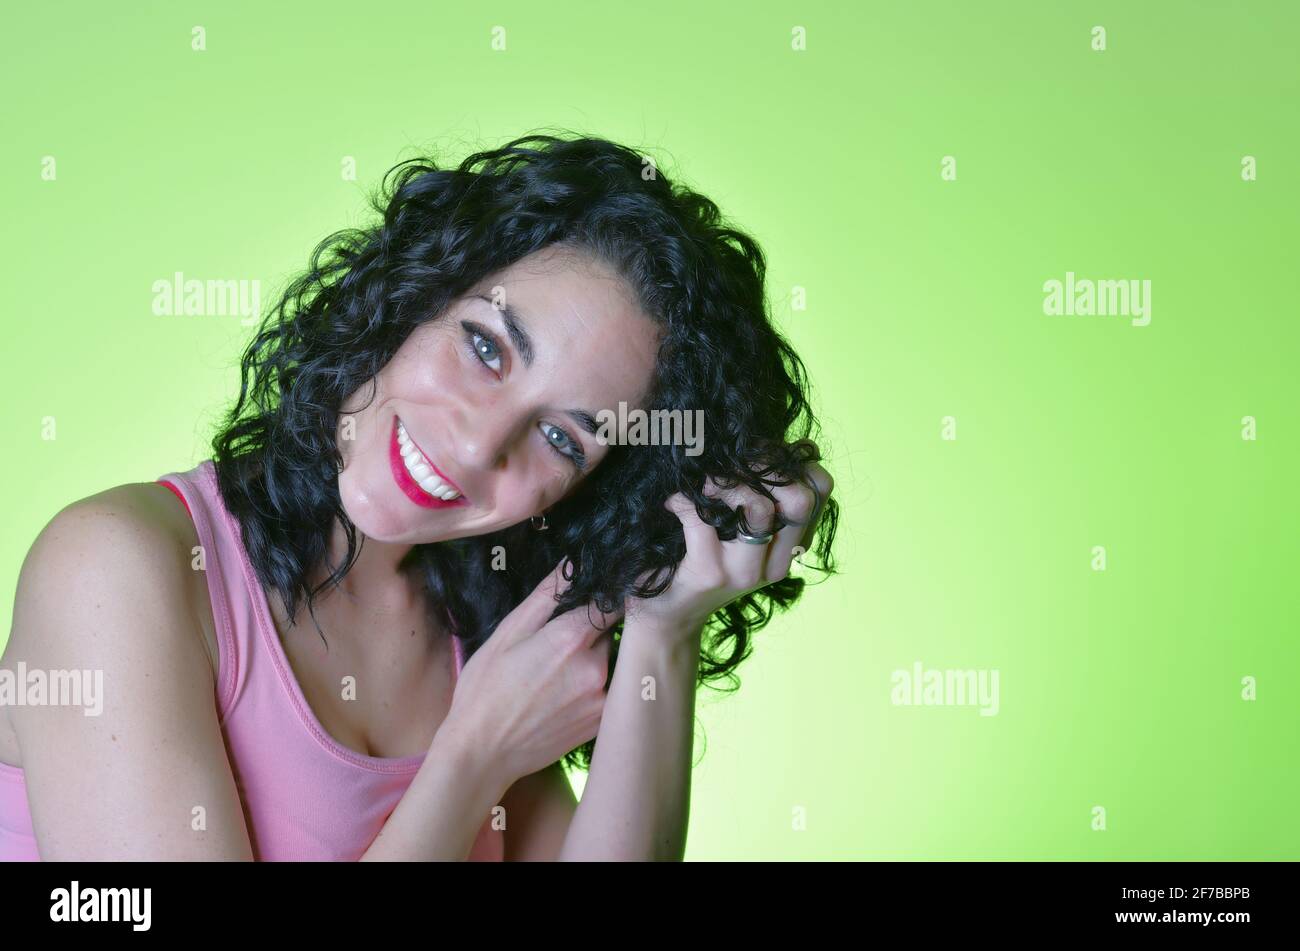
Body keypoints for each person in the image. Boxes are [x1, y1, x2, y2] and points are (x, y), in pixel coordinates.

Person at [0, 132, 837, 861]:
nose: (477, 445)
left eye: (561, 439)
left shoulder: (477, 623)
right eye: (485, 346)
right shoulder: (114, 566)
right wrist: (471, 758)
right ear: (415, 292)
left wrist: (665, 623)